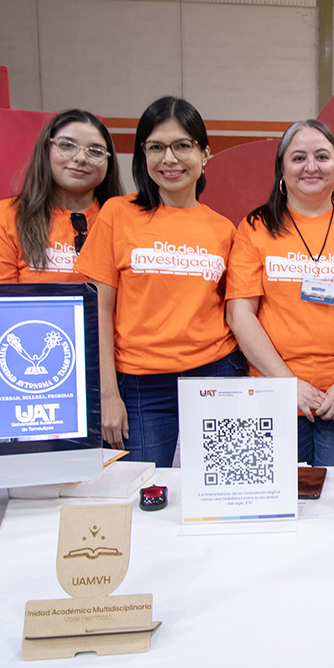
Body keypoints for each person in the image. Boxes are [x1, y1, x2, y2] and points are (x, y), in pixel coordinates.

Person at [74, 96, 246, 467]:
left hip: (215, 373)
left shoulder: (223, 229)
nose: (169, 159)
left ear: (204, 154)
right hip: (140, 384)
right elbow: (99, 310)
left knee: (224, 490)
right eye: (156, 147)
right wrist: (106, 395)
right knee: (142, 492)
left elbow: (235, 311)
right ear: (143, 156)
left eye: (182, 146)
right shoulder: (118, 214)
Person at [225, 120, 334, 466]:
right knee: (277, 511)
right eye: (298, 158)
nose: (311, 167)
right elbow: (239, 314)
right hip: (272, 397)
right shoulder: (255, 229)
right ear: (282, 169)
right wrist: (288, 385)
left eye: (322, 156)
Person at [0, 109, 122, 283]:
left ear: (109, 163)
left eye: (95, 151)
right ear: (45, 150)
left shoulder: (124, 221)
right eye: (67, 145)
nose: (81, 158)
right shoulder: (0, 219)